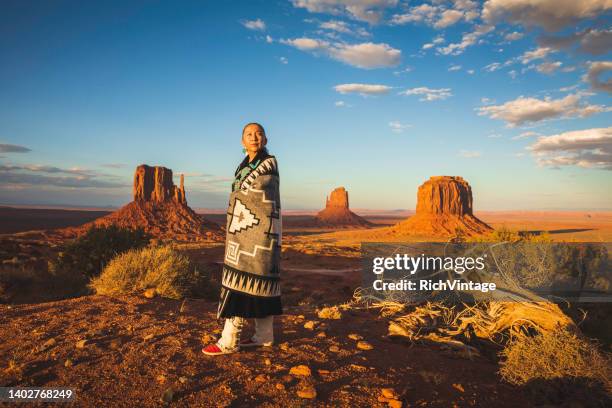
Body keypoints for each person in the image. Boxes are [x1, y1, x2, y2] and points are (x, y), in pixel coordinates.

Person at [202, 122, 283, 356]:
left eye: (259, 134)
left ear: (266, 139)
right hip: (247, 235)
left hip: (258, 235)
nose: (254, 137)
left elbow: (261, 194)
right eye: (249, 134)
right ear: (242, 141)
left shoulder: (269, 163)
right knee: (259, 282)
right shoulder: (242, 166)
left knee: (240, 284)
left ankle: (229, 340)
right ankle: (265, 335)